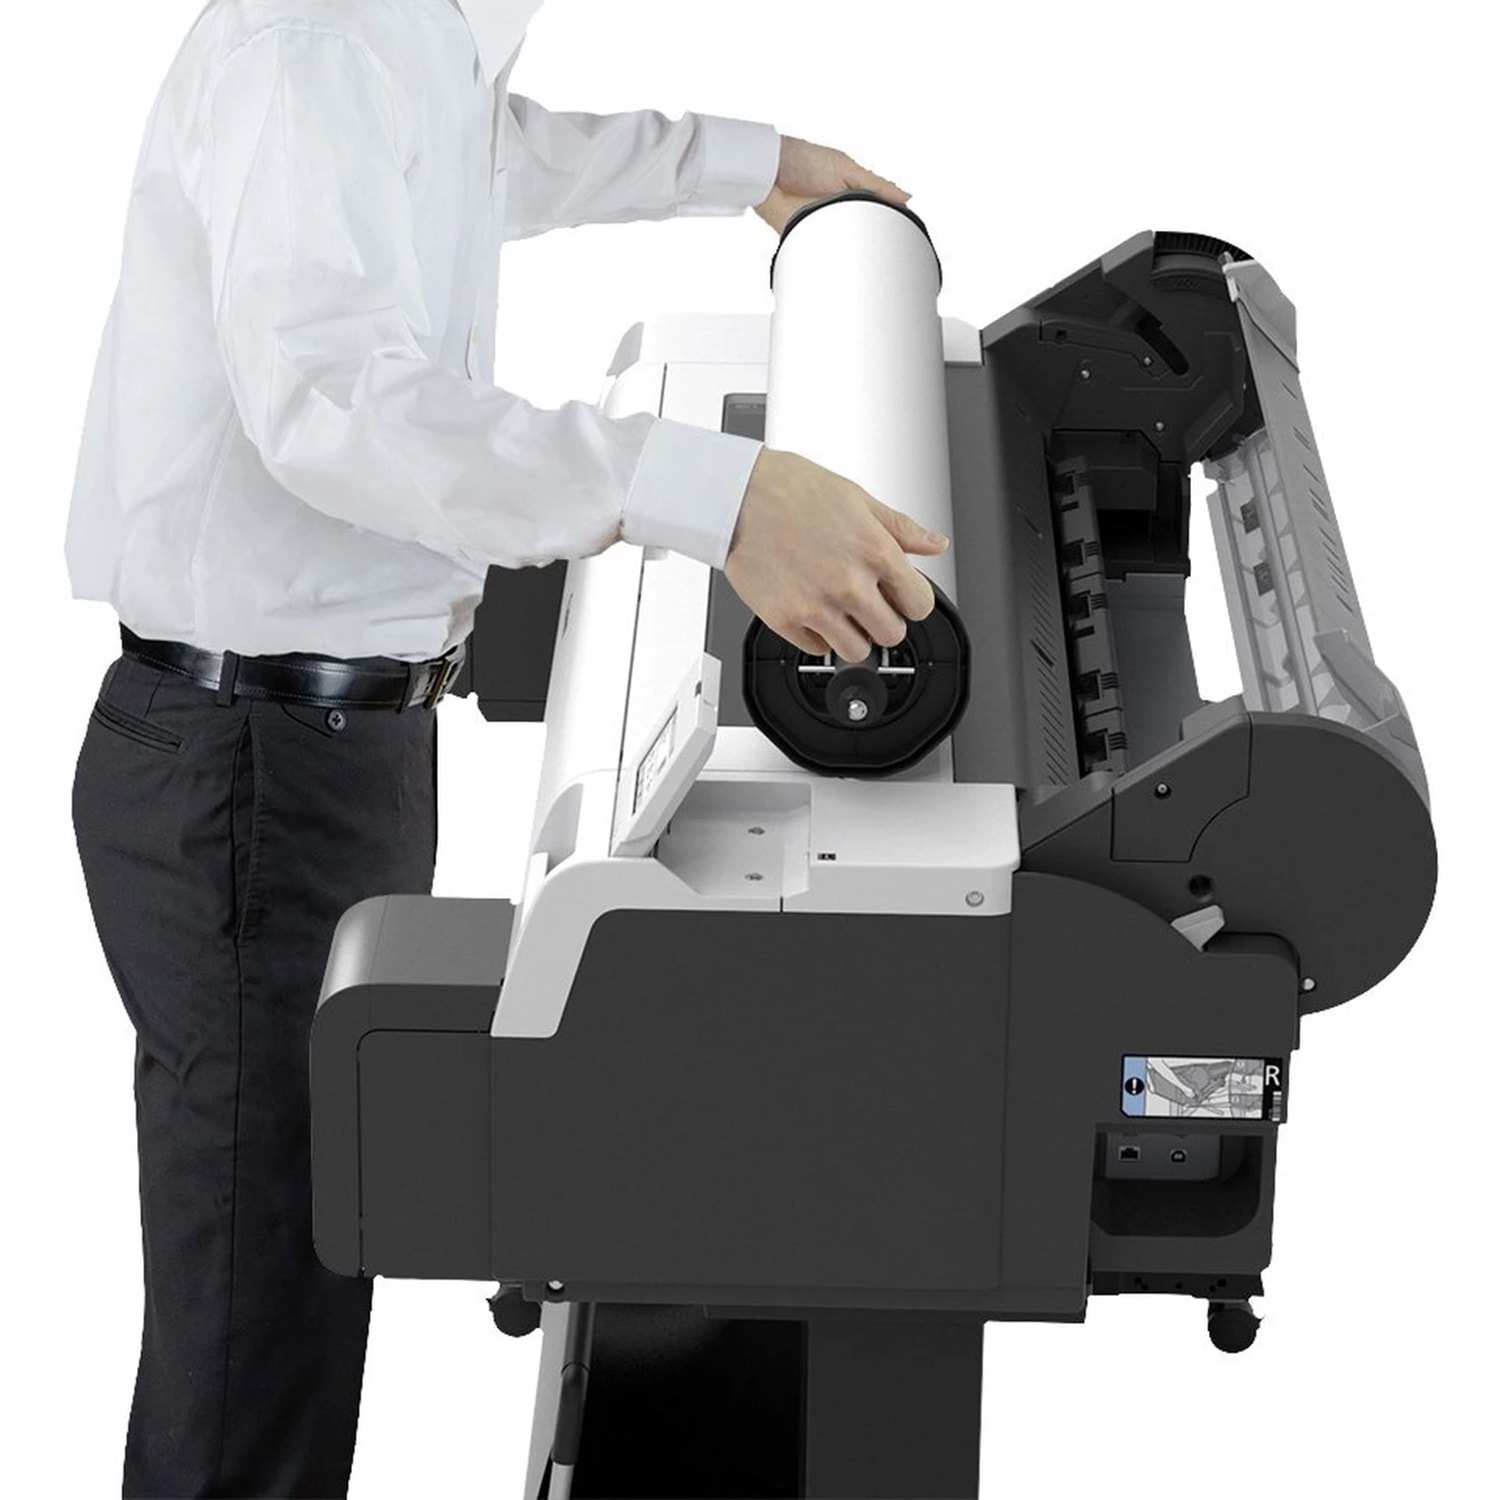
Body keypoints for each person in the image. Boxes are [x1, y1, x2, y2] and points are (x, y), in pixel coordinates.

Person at [66, 1, 947, 1494]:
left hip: (329, 741)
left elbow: (477, 160)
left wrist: (750, 163)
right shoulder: (316, 40)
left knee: (297, 1274)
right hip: (250, 765)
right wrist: (715, 494)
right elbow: (330, 404)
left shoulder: (413, 35)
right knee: (255, 1318)